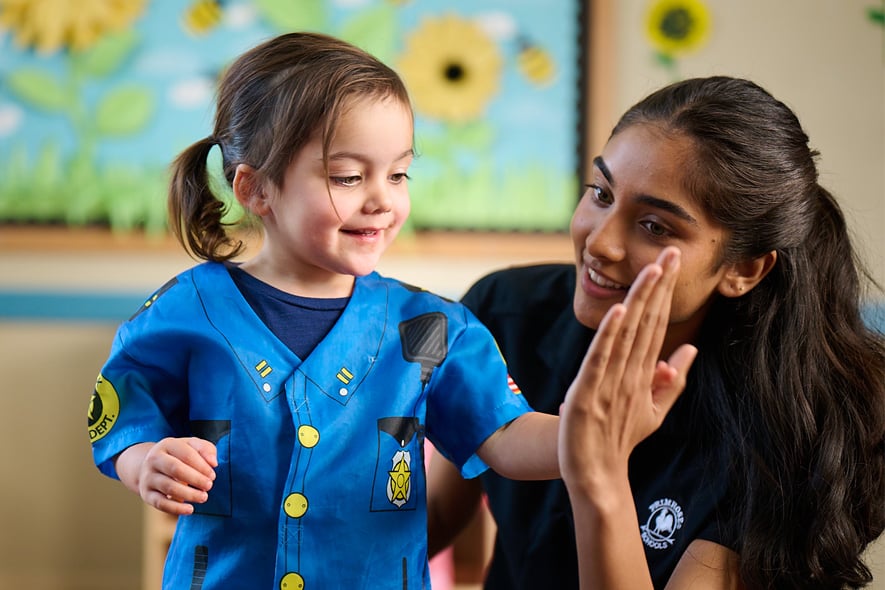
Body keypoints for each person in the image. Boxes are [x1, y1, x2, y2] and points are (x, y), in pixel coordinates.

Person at [84, 31, 625, 589]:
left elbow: (506, 437)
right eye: (348, 176)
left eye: (398, 174)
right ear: (256, 188)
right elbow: (122, 415)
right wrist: (145, 462)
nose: (382, 200)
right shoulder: (186, 311)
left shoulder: (431, 328)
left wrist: (587, 436)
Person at [428, 75, 885, 589]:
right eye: (601, 193)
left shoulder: (798, 433)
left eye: (655, 226)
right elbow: (438, 509)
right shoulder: (505, 312)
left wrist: (598, 471)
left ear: (744, 270)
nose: (600, 243)